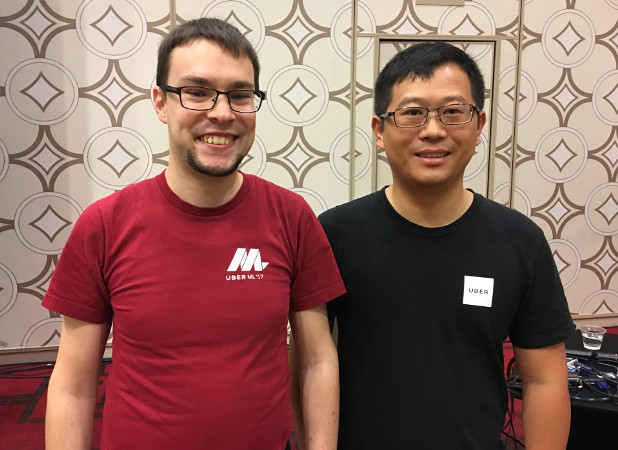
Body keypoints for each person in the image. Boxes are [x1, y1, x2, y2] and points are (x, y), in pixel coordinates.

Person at [43, 17, 343, 450]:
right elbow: (72, 387)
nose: (222, 113)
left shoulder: (291, 217)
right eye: (197, 92)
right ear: (161, 102)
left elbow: (315, 362)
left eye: (240, 95)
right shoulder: (104, 225)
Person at [319, 42, 574, 449]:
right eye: (412, 113)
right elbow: (309, 364)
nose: (433, 130)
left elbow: (544, 380)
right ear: (380, 131)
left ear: (479, 125)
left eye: (453, 112)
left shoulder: (519, 240)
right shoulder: (334, 234)